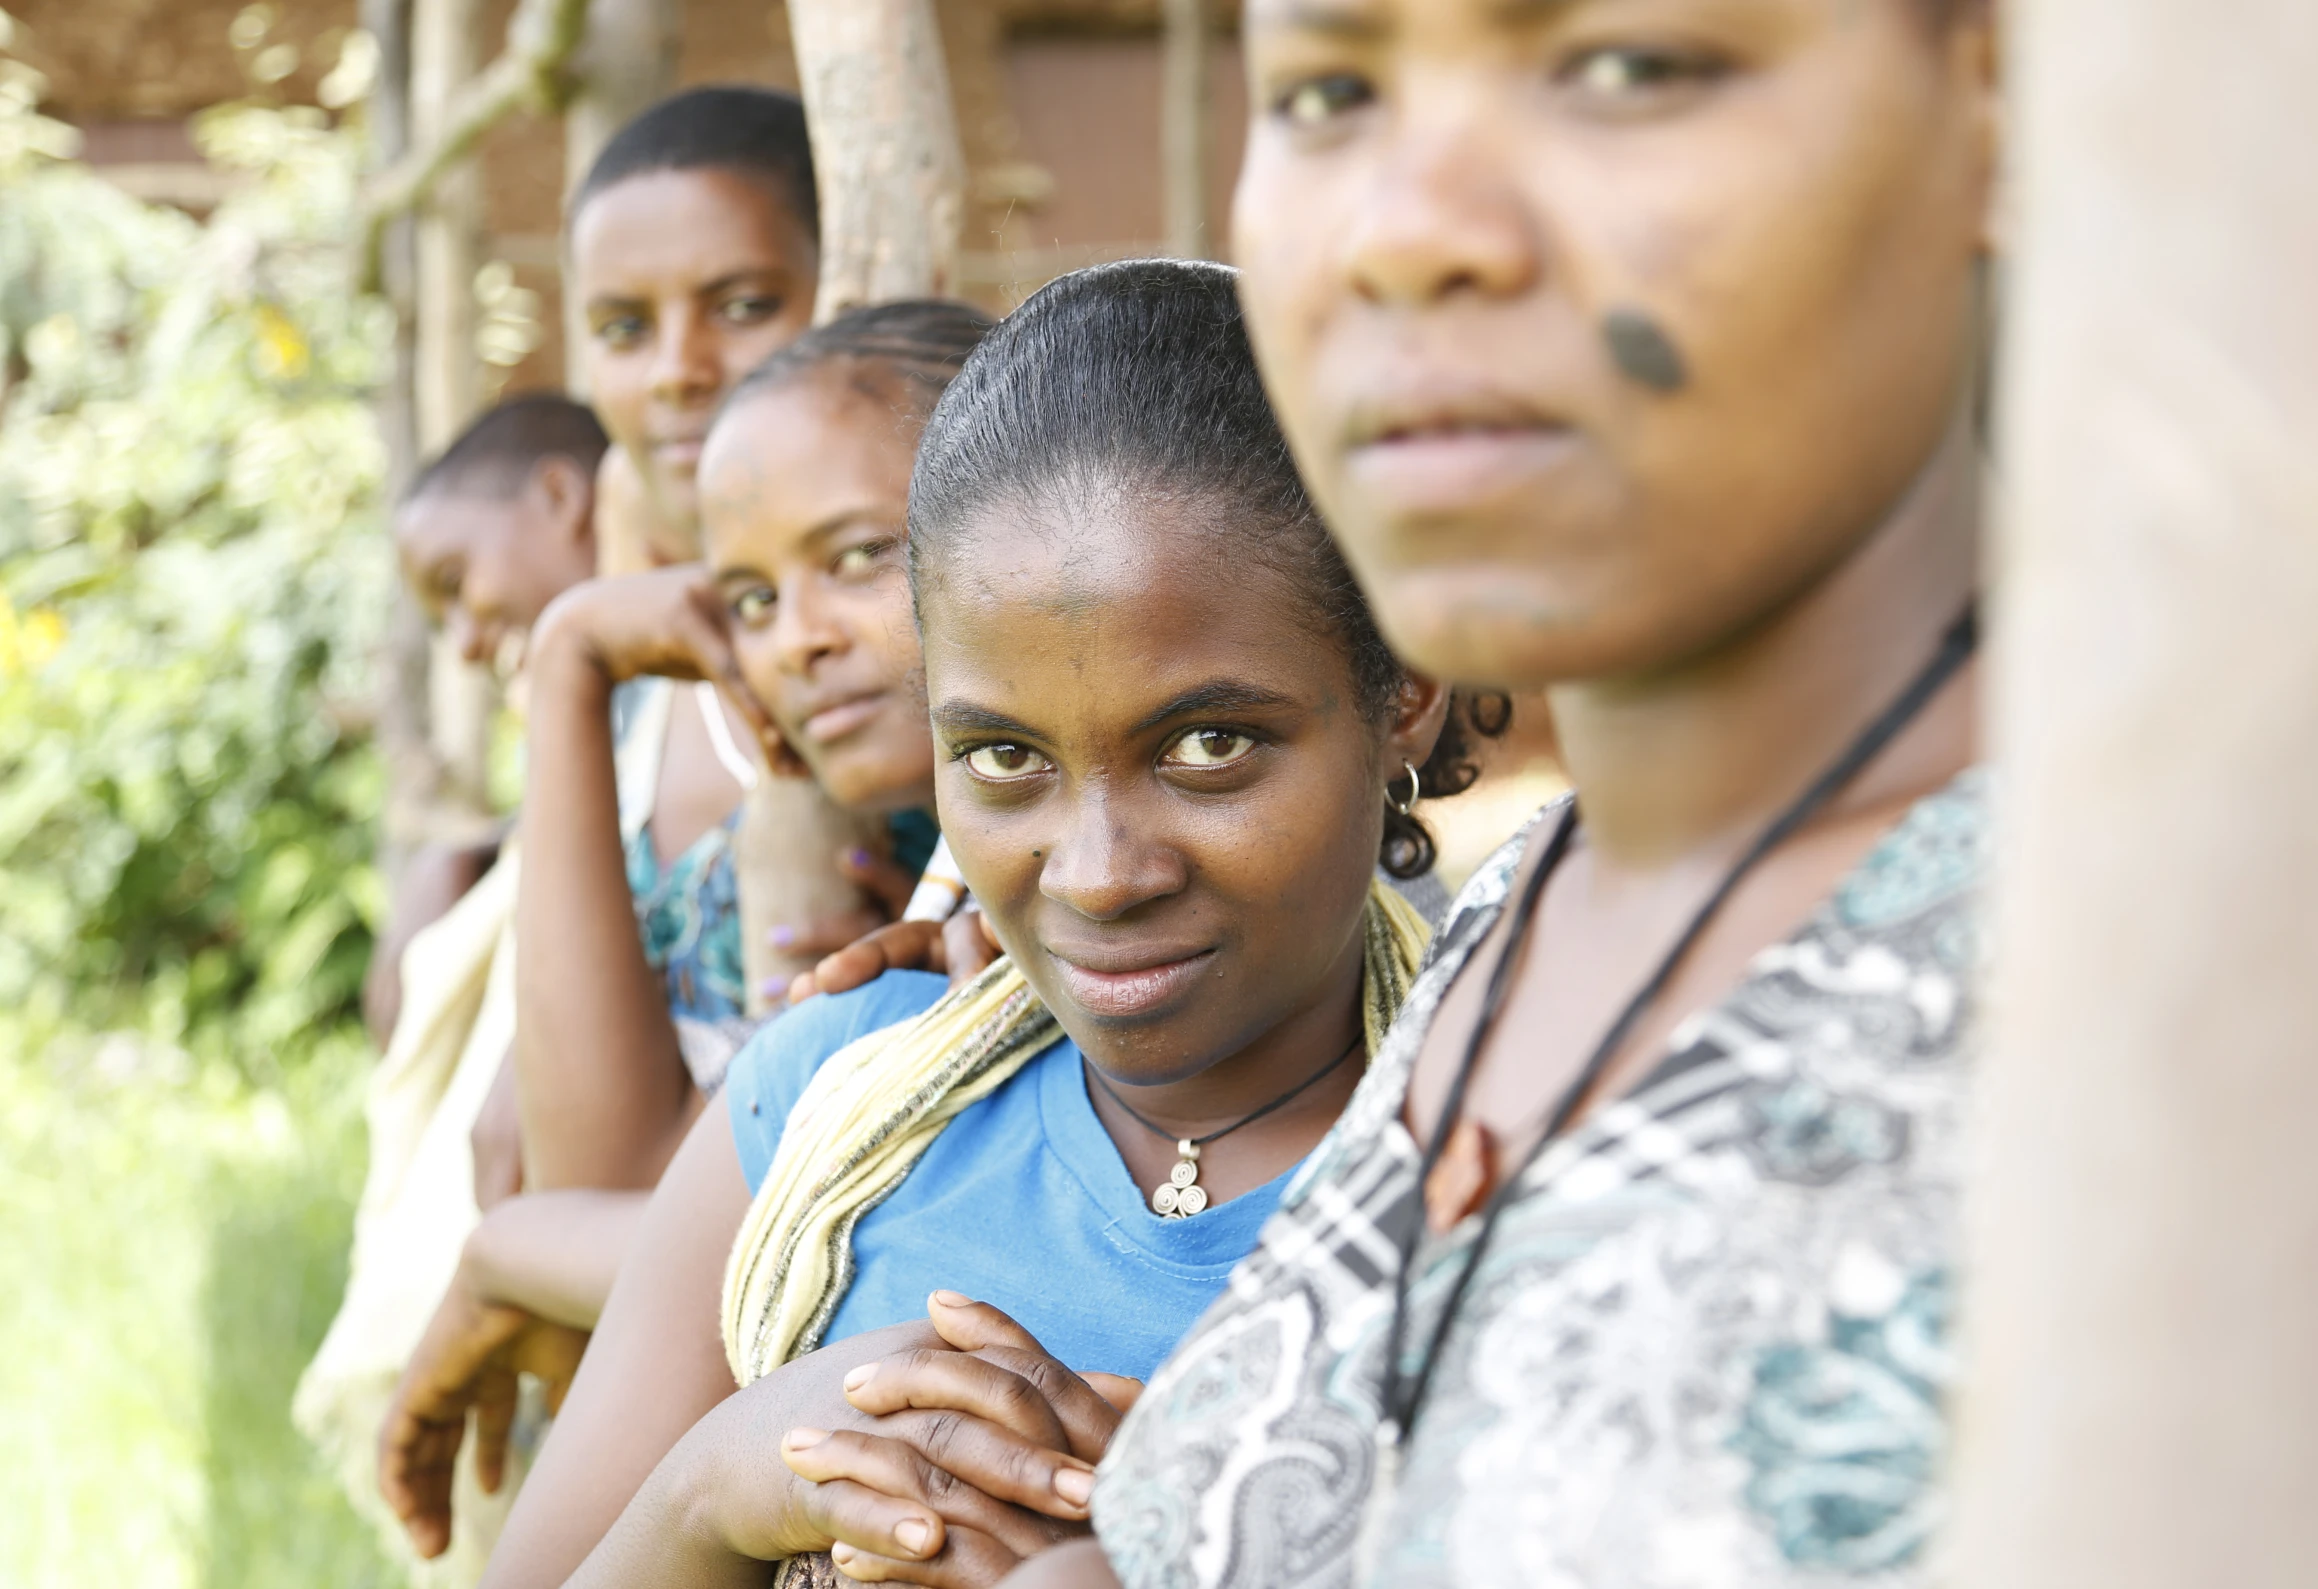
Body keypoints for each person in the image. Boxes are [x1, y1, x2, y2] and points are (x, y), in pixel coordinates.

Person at [831, 0, 1996, 1584]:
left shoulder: (2152, 1001)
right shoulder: (1527, 917)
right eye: (1325, 91)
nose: (1404, 230)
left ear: (1994, 99)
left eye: (1622, 66)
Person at [465, 261, 1498, 1589]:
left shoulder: (1507, 1187)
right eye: (1006, 760)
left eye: (1209, 743)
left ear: (1401, 688)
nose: (1096, 875)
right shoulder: (835, 1103)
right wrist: (716, 1487)